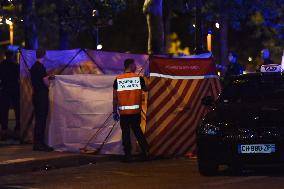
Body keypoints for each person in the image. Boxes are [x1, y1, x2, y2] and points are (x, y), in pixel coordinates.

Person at [113, 59, 149, 162]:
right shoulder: (138, 78)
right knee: (138, 132)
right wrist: (147, 78)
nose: (136, 66)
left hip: (124, 113)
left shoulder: (118, 79)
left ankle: (128, 155)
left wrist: (114, 111)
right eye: (134, 64)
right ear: (130, 65)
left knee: (126, 134)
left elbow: (115, 98)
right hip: (135, 113)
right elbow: (146, 89)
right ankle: (145, 151)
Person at [30, 49, 54, 151]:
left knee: (38, 120)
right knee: (41, 120)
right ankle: (40, 144)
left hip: (36, 95)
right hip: (41, 96)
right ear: (44, 55)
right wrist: (49, 79)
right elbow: (44, 82)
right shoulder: (41, 67)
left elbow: (38, 80)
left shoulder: (34, 67)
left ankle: (37, 143)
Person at [0, 51, 20, 141]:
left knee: (4, 110)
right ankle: (18, 128)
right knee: (17, 108)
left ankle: (4, 129)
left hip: (4, 89)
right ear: (12, 56)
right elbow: (19, 76)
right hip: (15, 89)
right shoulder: (16, 65)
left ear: (5, 56)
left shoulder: (1, 65)